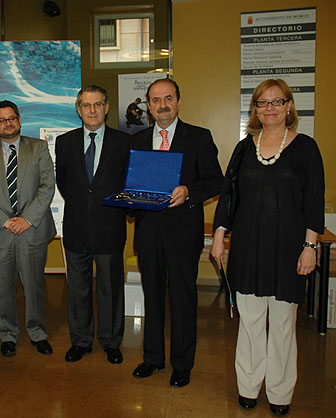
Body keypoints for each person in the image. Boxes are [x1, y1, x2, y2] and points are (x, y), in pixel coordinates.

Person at [211, 79, 324, 417]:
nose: (270, 108)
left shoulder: (305, 148)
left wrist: (310, 246)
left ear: (289, 106)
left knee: (282, 326)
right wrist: (219, 234)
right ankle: (248, 387)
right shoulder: (245, 148)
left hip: (289, 250)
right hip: (247, 248)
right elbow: (228, 194)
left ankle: (279, 392)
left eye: (277, 102)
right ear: (255, 109)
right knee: (250, 323)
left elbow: (314, 201)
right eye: (263, 103)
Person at [131, 78, 223, 387]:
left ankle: (182, 363)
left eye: (168, 98)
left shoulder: (198, 137)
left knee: (184, 299)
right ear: (149, 106)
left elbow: (215, 181)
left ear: (179, 101)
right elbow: (131, 185)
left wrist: (189, 190)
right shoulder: (139, 140)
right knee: (152, 296)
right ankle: (153, 358)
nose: (162, 105)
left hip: (183, 231)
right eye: (155, 100)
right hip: (148, 232)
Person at [55, 85, 130, 365]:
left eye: (98, 104)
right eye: (87, 105)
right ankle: (81, 341)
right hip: (76, 227)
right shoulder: (65, 142)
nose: (92, 110)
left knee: (111, 288)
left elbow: (126, 181)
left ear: (107, 107)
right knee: (78, 289)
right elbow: (65, 182)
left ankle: (111, 342)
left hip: (110, 227)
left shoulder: (123, 142)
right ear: (78, 110)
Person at [0, 101, 56, 358]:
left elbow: (47, 186)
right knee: (3, 286)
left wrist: (27, 219)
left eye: (11, 118)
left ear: (19, 120)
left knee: (34, 285)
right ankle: (8, 334)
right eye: (1, 120)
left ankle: (38, 332)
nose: (7, 123)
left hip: (33, 229)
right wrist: (3, 220)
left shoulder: (39, 148)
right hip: (1, 230)